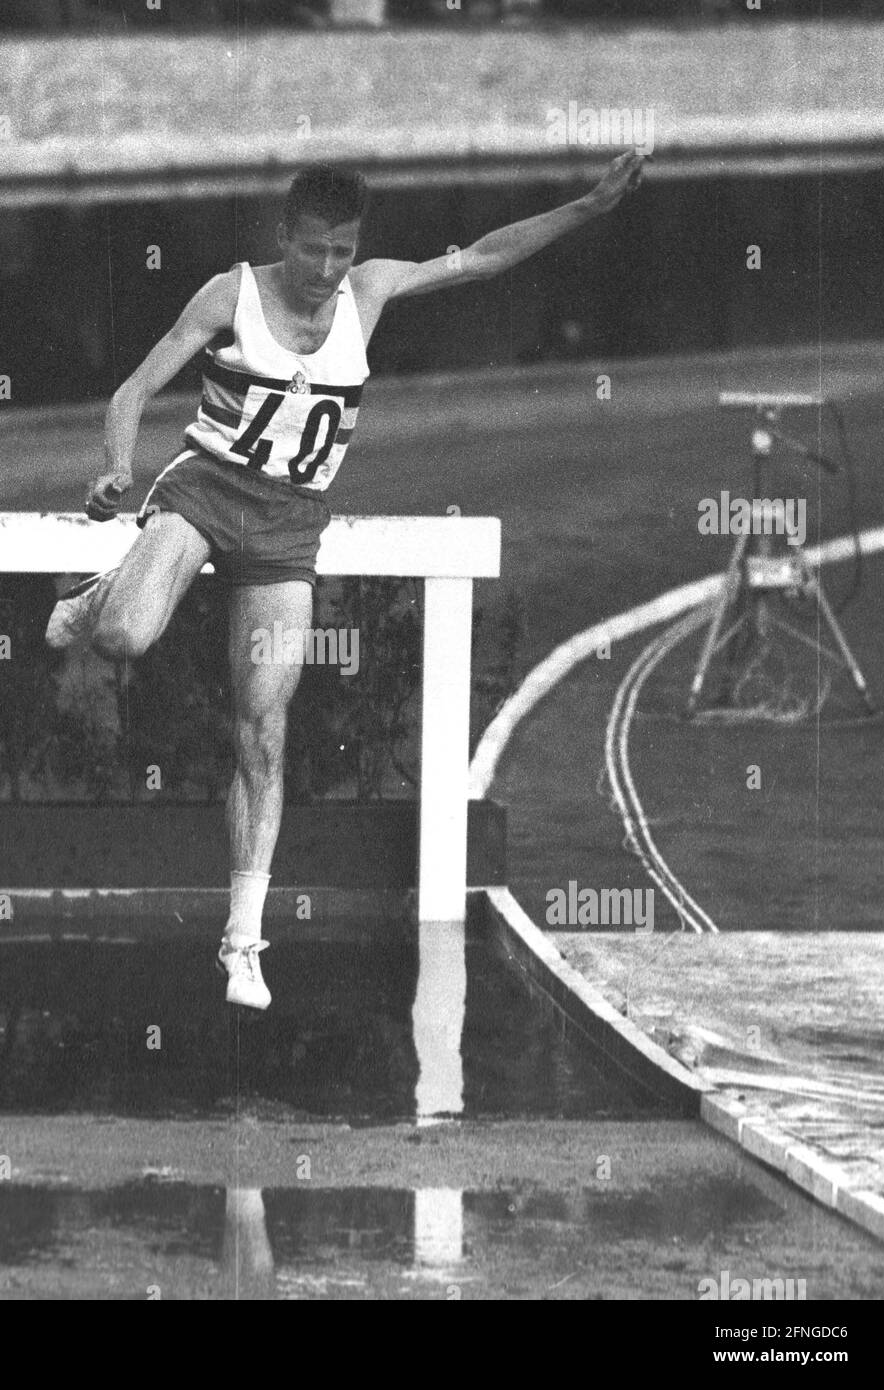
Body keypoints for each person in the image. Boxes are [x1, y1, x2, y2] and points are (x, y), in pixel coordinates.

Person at [46, 151, 647, 1009]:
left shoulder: (369, 291)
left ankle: (243, 941)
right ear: (283, 235)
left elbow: (483, 256)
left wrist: (587, 207)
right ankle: (93, 597)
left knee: (265, 729)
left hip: (287, 529)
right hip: (203, 491)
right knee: (125, 636)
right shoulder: (231, 294)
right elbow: (131, 391)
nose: (328, 272)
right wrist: (114, 466)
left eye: (343, 252)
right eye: (314, 252)